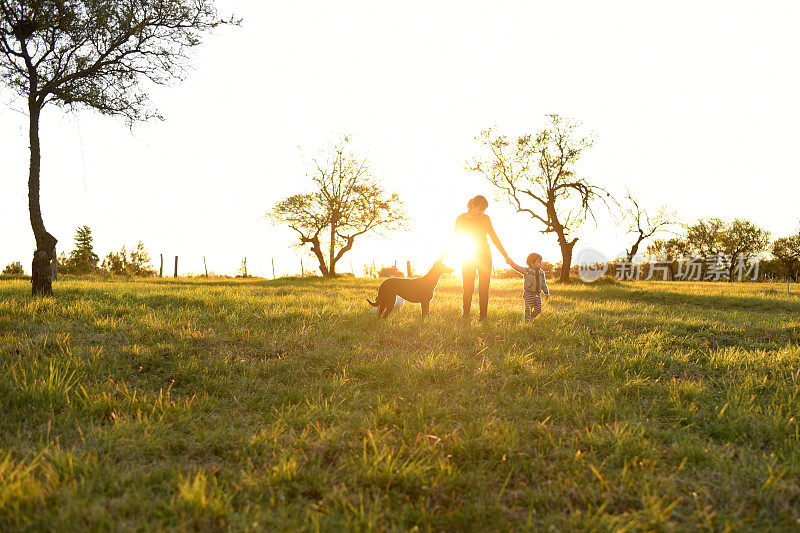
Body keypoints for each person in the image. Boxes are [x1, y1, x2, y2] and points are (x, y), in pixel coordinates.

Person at [448, 195, 510, 321]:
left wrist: (505, 256)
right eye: (479, 209)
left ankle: (483, 317)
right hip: (468, 255)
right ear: (472, 206)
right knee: (468, 287)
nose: (481, 212)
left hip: (485, 256)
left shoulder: (486, 219)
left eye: (483, 210)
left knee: (484, 288)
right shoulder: (461, 218)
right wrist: (445, 255)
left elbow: (494, 238)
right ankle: (465, 315)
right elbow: (454, 237)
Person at [506, 252, 550, 322]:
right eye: (538, 262)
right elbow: (517, 267)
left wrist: (546, 292)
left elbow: (543, 283)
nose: (540, 263)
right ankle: (527, 322)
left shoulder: (541, 272)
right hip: (529, 294)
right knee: (528, 309)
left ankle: (530, 319)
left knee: (538, 310)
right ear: (532, 263)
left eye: (540, 262)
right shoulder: (526, 270)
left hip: (537, 294)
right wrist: (511, 262)